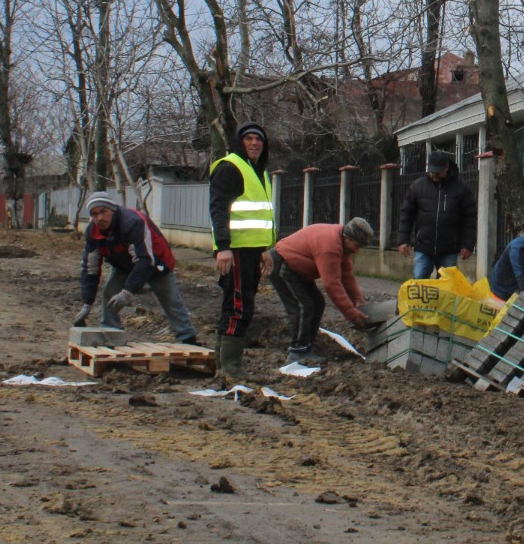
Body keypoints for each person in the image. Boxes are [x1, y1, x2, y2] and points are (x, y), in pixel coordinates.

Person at [74, 192, 198, 345]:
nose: (99, 218)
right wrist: (87, 303)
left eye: (103, 212)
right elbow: (90, 268)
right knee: (110, 293)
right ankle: (110, 335)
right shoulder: (92, 232)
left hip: (156, 262)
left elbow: (145, 260)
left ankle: (187, 338)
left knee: (170, 300)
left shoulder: (132, 222)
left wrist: (127, 293)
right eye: (94, 214)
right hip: (124, 265)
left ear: (112, 210)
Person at [208, 121, 275, 378]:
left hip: (250, 250)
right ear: (240, 142)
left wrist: (264, 248)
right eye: (248, 139)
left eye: (258, 139)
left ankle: (223, 365)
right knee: (238, 307)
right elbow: (219, 210)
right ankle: (231, 369)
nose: (254, 143)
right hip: (235, 250)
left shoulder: (258, 171)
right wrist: (223, 248)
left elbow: (258, 215)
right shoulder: (230, 168)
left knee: (237, 305)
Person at [268, 217, 374, 366]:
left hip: (297, 269)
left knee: (318, 303)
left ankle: (307, 348)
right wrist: (351, 314)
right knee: (303, 306)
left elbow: (347, 276)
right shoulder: (330, 246)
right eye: (357, 246)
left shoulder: (342, 245)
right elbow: (331, 285)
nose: (356, 251)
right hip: (282, 265)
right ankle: (297, 352)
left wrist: (359, 300)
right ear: (347, 238)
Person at [396, 149, 477, 279]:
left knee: (446, 285)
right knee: (420, 281)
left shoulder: (461, 189)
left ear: (446, 168)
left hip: (449, 247)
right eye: (432, 171)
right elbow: (406, 215)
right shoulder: (417, 186)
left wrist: (467, 244)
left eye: (438, 172)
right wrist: (403, 241)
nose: (434, 175)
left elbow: (470, 219)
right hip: (423, 246)